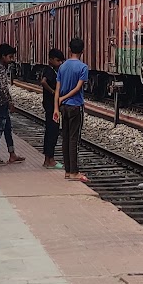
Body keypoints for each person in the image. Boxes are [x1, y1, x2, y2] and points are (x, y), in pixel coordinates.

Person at [0, 44, 25, 165]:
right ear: (3, 56)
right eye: (10, 57)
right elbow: (3, 87)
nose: (12, 59)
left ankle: (12, 154)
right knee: (0, 128)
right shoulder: (1, 68)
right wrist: (10, 102)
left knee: (7, 127)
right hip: (2, 102)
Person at [56, 36, 88, 183]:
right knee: (74, 139)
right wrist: (64, 98)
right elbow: (77, 88)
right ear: (82, 50)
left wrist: (57, 106)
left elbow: (57, 89)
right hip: (75, 106)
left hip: (63, 108)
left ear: (69, 49)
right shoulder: (83, 67)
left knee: (65, 138)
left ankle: (67, 171)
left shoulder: (62, 66)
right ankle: (74, 171)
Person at [39, 48, 64, 169]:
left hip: (50, 105)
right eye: (58, 60)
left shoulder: (52, 70)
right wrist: (53, 91)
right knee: (53, 132)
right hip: (51, 106)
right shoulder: (49, 70)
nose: (60, 63)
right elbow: (43, 82)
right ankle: (50, 159)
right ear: (51, 60)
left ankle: (47, 159)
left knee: (50, 131)